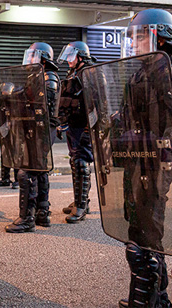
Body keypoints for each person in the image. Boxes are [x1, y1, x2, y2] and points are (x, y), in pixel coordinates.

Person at [106, 9, 172, 308]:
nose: (133, 43)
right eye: (132, 37)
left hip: (157, 164)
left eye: (141, 36)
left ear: (160, 35)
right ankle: (148, 296)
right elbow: (129, 118)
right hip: (137, 160)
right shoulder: (140, 72)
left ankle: (153, 300)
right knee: (136, 230)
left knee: (147, 232)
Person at [5, 42, 60, 233]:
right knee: (39, 169)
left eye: (32, 56)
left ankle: (27, 218)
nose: (28, 59)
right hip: (36, 129)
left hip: (42, 129)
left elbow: (43, 107)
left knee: (26, 171)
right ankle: (42, 213)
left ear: (43, 58)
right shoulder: (37, 76)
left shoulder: (48, 78)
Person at [57, 41, 96, 223]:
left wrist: (90, 129)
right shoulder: (73, 73)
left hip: (83, 127)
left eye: (72, 56)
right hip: (73, 126)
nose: (68, 60)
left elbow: (97, 103)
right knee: (75, 163)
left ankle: (81, 206)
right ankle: (80, 200)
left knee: (81, 163)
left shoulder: (90, 73)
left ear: (81, 56)